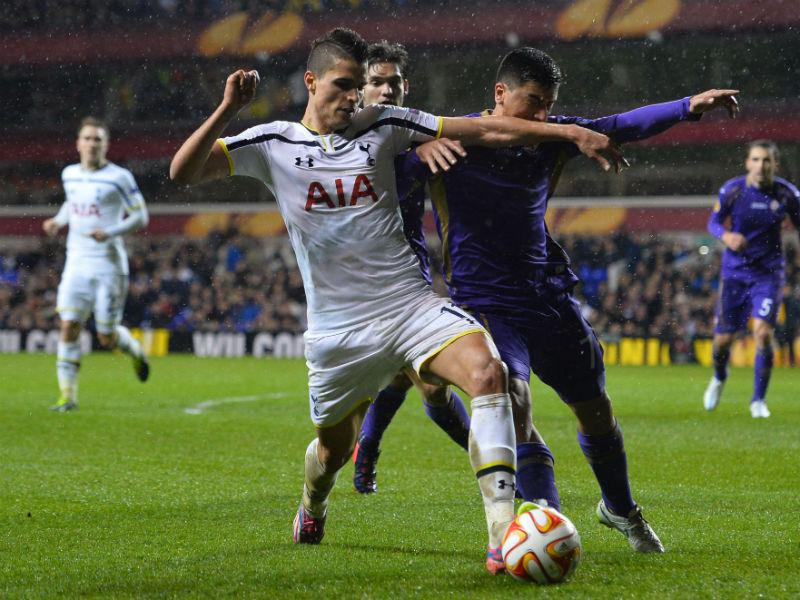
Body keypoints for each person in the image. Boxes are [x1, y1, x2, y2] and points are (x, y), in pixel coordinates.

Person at [169, 28, 625, 573]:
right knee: (332, 453)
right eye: (343, 85)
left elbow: (485, 129)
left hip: (409, 307)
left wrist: (571, 132)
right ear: (311, 82)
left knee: (488, 372)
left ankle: (502, 533)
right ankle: (313, 502)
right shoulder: (273, 143)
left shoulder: (383, 125)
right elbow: (183, 172)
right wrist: (227, 108)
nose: (353, 97)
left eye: (359, 87)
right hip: (339, 332)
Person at [398, 47, 739, 553]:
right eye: (533, 101)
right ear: (500, 93)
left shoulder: (552, 137)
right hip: (485, 302)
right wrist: (415, 150)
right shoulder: (451, 137)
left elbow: (621, 124)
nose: (542, 114)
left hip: (546, 295)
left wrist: (689, 105)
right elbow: (382, 163)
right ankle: (545, 522)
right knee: (514, 400)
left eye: (549, 104)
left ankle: (619, 510)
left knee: (595, 410)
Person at [352, 41, 471, 495]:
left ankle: (368, 449)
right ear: (360, 90)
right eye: (376, 82)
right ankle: (500, 470)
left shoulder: (421, 130)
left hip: (411, 274)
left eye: (393, 83)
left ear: (406, 88)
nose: (385, 91)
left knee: (419, 381)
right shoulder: (343, 135)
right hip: (359, 282)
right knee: (419, 380)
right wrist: (411, 160)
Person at [43, 117, 150, 412]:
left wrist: (110, 232)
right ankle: (68, 397)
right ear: (78, 143)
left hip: (109, 265)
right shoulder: (69, 175)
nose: (92, 144)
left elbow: (141, 216)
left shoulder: (120, 177)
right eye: (87, 138)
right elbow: (72, 203)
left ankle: (136, 352)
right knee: (68, 326)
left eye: (98, 139)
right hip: (76, 261)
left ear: (106, 145)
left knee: (106, 336)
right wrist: (58, 221)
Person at [703, 140, 800, 418]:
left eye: (767, 160)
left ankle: (758, 400)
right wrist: (727, 236)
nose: (761, 165)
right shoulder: (732, 190)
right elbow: (713, 222)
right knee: (723, 341)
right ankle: (720, 376)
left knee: (762, 333)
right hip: (735, 273)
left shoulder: (787, 194)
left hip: (769, 274)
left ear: (775, 164)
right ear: (748, 163)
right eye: (756, 160)